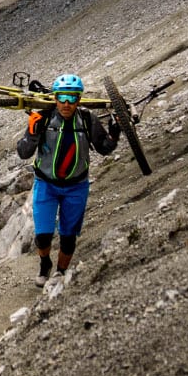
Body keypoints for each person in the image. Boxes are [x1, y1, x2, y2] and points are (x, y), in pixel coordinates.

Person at [16, 74, 119, 287]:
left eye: (72, 98)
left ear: (79, 99)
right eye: (62, 97)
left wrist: (114, 136)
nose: (66, 103)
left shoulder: (87, 118)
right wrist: (32, 133)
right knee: (43, 236)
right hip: (46, 184)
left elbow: (104, 148)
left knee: (68, 236)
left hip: (76, 186)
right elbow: (24, 153)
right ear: (55, 98)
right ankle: (45, 264)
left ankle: (60, 273)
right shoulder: (43, 117)